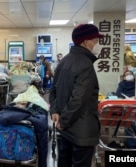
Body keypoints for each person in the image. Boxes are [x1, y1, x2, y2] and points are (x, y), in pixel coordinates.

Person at [49, 24, 103, 167]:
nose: (97, 44)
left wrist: (55, 111)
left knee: (64, 162)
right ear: (86, 42)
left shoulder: (64, 61)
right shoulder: (86, 64)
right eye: (96, 40)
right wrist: (64, 121)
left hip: (66, 130)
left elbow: (53, 89)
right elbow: (78, 99)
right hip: (81, 132)